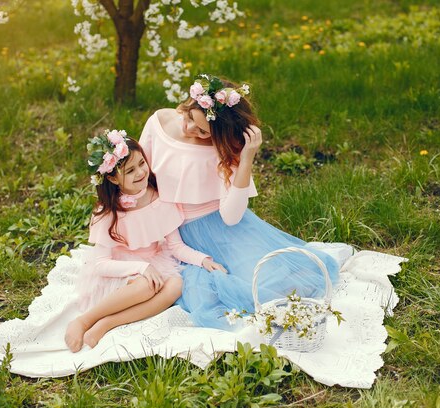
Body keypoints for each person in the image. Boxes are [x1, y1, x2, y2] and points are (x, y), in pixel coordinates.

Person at [139, 74, 340, 330]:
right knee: (200, 291)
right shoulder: (160, 121)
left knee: (271, 288)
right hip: (171, 229)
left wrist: (246, 159)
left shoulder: (223, 150)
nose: (189, 129)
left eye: (202, 131)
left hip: (224, 231)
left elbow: (231, 217)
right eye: (190, 117)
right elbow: (141, 175)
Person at [64, 130, 226, 352]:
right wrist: (141, 267)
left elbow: (175, 246)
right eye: (130, 170)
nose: (141, 172)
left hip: (153, 260)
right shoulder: (109, 211)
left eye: (142, 163)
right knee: (146, 286)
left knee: (176, 286)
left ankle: (107, 323)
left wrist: (203, 259)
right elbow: (101, 263)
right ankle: (84, 320)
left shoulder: (159, 198)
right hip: (120, 268)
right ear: (112, 178)